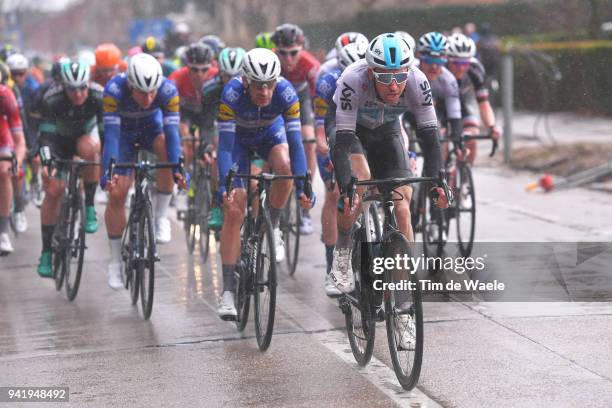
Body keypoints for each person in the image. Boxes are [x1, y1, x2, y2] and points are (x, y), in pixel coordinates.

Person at [328, 33, 449, 293]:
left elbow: (430, 139)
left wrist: (437, 181)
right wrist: (346, 181)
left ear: (409, 70)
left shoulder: (418, 81)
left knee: (402, 202)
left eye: (399, 76)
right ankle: (343, 251)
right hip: (351, 132)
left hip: (387, 130)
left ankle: (401, 292)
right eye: (384, 77)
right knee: (358, 180)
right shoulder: (353, 79)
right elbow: (343, 143)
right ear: (371, 73)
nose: (393, 85)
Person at [215, 48, 312, 319]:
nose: (265, 91)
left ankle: (274, 225)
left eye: (270, 84)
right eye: (259, 85)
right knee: (235, 207)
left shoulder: (286, 92)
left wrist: (304, 183)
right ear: (246, 81)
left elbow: (295, 144)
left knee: (285, 167)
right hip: (238, 142)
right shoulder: (231, 93)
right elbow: (224, 147)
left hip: (270, 134)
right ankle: (228, 292)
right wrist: (226, 185)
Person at [100, 53, 185, 290]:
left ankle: (159, 217)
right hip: (123, 136)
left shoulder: (168, 90)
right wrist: (109, 171)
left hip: (151, 130)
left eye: (152, 92)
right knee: (117, 193)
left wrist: (179, 167)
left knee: (166, 152)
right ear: (130, 85)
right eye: (141, 92)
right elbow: (112, 137)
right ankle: (115, 262)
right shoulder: (114, 90)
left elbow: (173, 136)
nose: (148, 98)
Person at [36, 61, 104, 276]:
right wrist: (47, 162)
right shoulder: (52, 99)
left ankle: (90, 205)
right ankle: (46, 252)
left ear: (89, 84)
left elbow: (105, 133)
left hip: (83, 137)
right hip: (57, 142)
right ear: (63, 86)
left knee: (91, 151)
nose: (78, 94)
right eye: (72, 89)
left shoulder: (98, 96)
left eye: (83, 87)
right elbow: (45, 138)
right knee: (54, 190)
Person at [313, 42, 366, 297]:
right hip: (337, 131)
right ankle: (330, 264)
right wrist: (326, 152)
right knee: (335, 194)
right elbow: (320, 128)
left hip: (365, 132)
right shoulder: (327, 81)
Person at [272, 23, 320, 235]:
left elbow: (320, 99)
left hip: (301, 101)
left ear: (301, 49)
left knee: (308, 141)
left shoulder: (310, 65)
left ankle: (304, 203)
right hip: (274, 102)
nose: (288, 59)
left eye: (293, 53)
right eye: (282, 53)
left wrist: (321, 130)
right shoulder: (270, 61)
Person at [200, 46, 246, 230]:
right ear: (219, 73)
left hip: (246, 128)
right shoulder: (210, 89)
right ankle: (217, 204)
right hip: (222, 127)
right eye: (227, 75)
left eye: (237, 75)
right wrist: (208, 146)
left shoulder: (252, 85)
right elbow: (207, 123)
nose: (232, 81)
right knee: (215, 155)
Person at [169, 42, 217, 215]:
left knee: (214, 146)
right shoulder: (177, 77)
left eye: (204, 70)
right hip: (186, 113)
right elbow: (168, 103)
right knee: (188, 143)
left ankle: (212, 187)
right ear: (187, 67)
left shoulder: (216, 76)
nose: (199, 75)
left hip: (206, 114)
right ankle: (184, 185)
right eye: (194, 70)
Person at [446, 33, 501, 166]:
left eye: (464, 63)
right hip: (441, 104)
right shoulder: (440, 69)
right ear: (447, 60)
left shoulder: (475, 69)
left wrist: (492, 127)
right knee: (441, 142)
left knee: (472, 138)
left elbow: (483, 103)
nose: (461, 67)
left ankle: (465, 177)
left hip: (463, 103)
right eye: (456, 63)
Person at [7, 53, 39, 233]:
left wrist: (29, 142)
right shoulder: (8, 88)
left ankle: (34, 182)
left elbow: (28, 120)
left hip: (28, 126)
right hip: (10, 126)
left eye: (21, 73)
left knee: (33, 159)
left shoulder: (33, 87)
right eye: (14, 74)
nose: (18, 77)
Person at [0, 68, 25, 255]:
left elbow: (19, 141)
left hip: (3, 138)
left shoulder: (6, 96)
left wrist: (16, 161)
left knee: (3, 171)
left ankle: (3, 231)